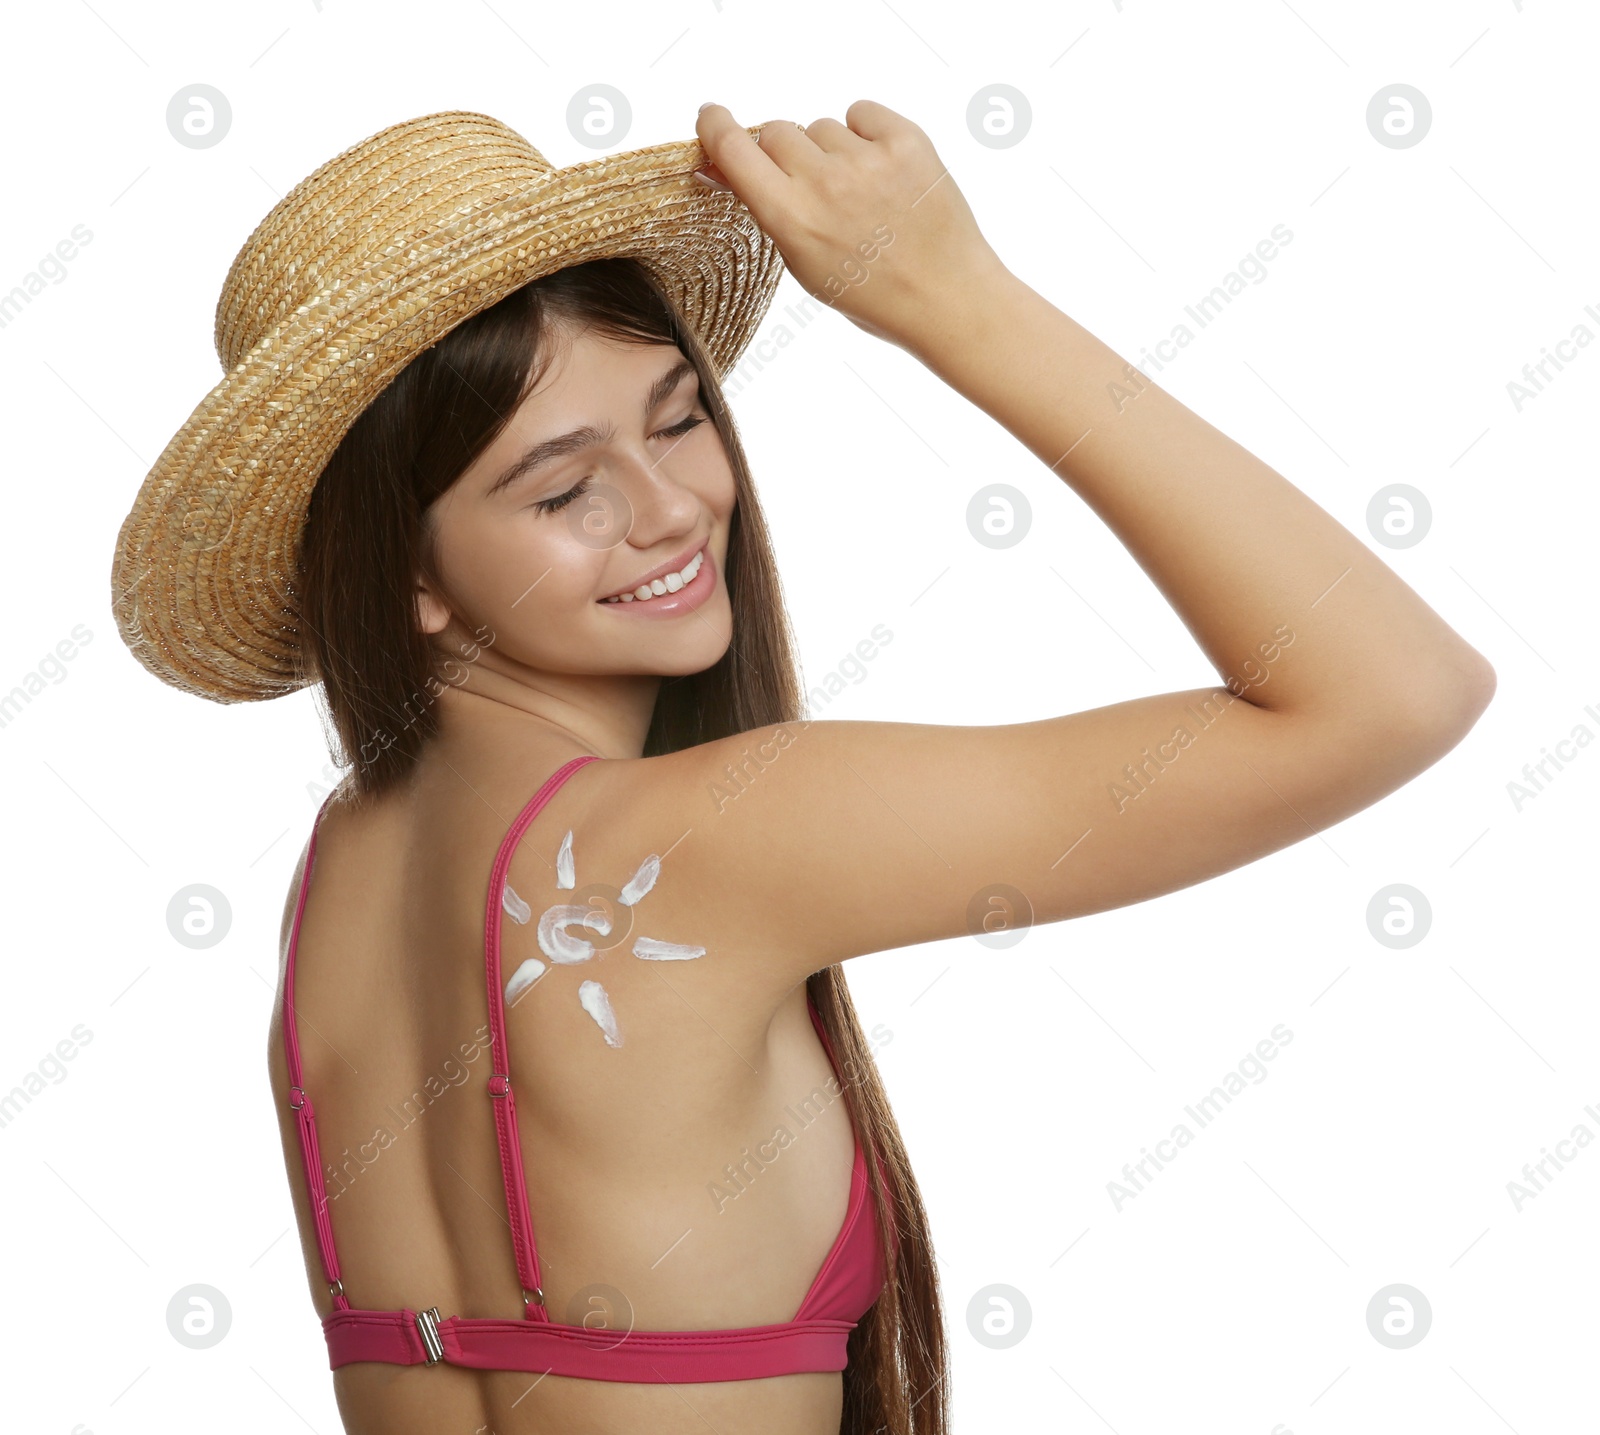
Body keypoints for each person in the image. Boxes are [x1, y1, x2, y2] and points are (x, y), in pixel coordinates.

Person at [112, 101, 1495, 1435]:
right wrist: (957, 300)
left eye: (677, 418)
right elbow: (1391, 690)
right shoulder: (719, 837)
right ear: (407, 574)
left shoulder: (338, 871)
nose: (670, 509)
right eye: (564, 488)